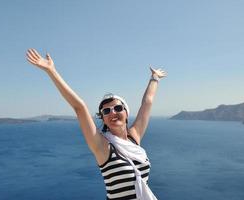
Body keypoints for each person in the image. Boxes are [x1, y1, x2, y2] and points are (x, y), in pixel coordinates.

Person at [26, 49, 167, 200]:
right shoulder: (102, 146)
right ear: (103, 119)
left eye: (118, 108)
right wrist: (51, 71)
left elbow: (148, 102)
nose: (112, 113)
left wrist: (154, 78)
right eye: (106, 111)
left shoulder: (134, 137)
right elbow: (79, 107)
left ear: (126, 113)